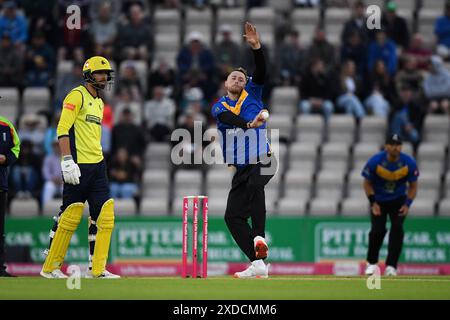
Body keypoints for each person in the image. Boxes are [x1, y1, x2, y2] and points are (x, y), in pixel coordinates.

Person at [40, 56, 120, 279]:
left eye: (106, 74)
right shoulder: (77, 96)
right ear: (88, 75)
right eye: (100, 73)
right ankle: (50, 267)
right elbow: (62, 128)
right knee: (70, 214)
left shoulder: (101, 102)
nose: (104, 77)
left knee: (104, 215)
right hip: (77, 165)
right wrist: (66, 160)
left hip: (98, 166)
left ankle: (97, 269)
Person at [211, 22, 277, 279]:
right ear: (226, 83)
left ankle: (259, 236)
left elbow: (261, 69)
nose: (238, 79)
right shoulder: (219, 106)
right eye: (233, 78)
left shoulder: (253, 92)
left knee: (255, 185)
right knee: (232, 217)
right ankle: (258, 263)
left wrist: (256, 48)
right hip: (241, 166)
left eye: (241, 77)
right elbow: (229, 119)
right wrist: (250, 123)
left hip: (264, 159)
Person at [362, 134, 419, 276]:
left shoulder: (409, 163)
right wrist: (373, 202)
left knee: (397, 229)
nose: (395, 148)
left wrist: (407, 204)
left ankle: (391, 266)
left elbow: (413, 186)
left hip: (398, 200)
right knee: (377, 230)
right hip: (379, 201)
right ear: (386, 146)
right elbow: (367, 183)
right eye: (392, 144)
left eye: (398, 145)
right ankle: (372, 263)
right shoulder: (376, 161)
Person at [0, 115, 20, 277]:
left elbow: (16, 148)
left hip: (0, 185)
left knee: (0, 230)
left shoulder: (6, 125)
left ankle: (0, 268)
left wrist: (6, 158)